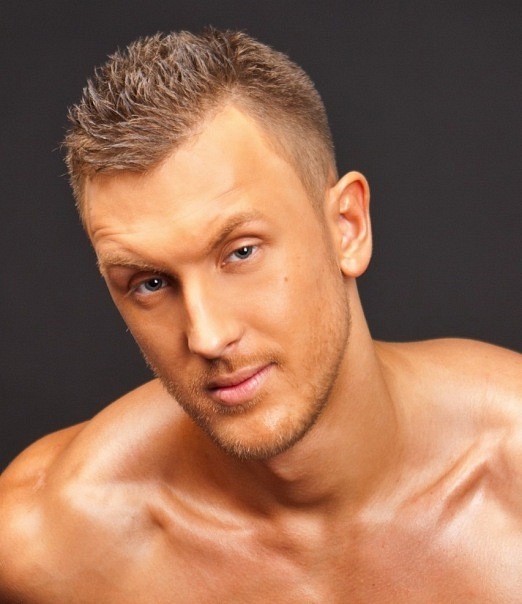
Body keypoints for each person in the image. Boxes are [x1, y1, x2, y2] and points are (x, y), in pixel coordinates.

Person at [0, 28, 521, 603]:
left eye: (241, 252)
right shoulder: (50, 537)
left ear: (347, 227)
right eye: (150, 283)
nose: (207, 336)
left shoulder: (509, 476)